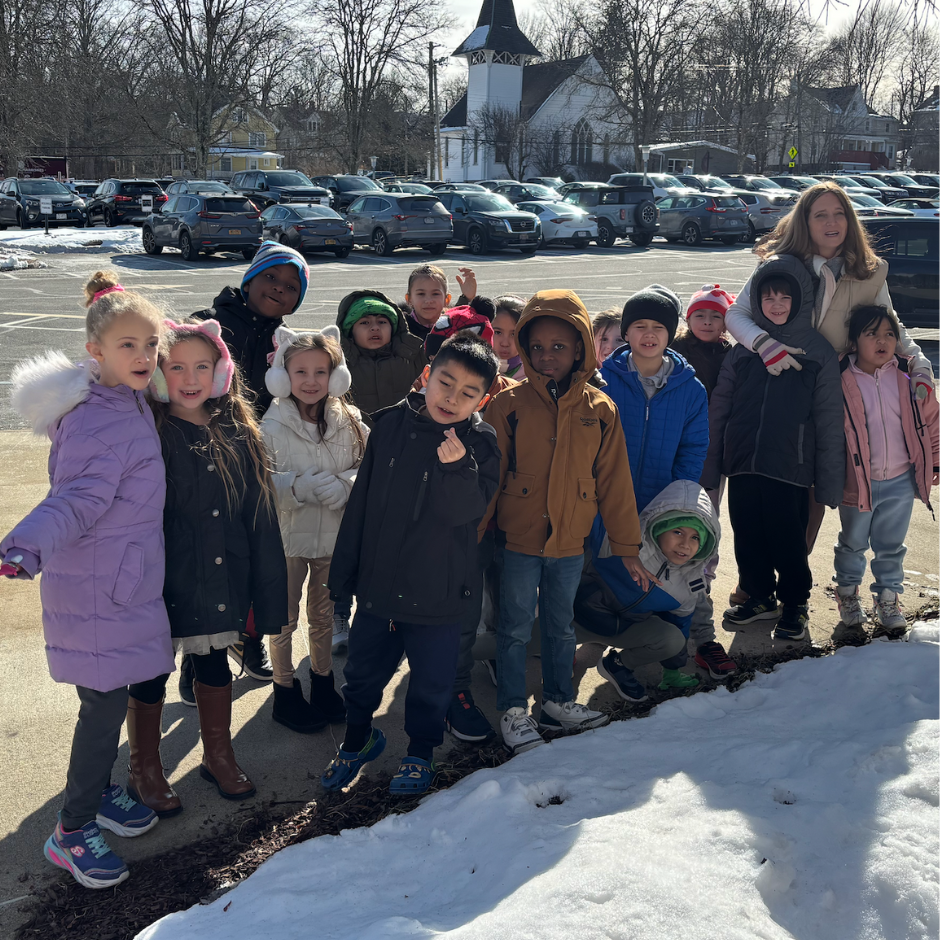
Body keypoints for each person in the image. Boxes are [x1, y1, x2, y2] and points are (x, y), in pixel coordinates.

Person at [0, 272, 174, 889]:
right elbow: (76, 499)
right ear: (94, 351)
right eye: (128, 345)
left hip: (117, 576)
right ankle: (70, 833)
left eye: (151, 344)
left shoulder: (123, 398)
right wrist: (26, 544)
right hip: (99, 584)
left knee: (105, 699)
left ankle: (96, 793)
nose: (144, 356)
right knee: (103, 708)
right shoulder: (100, 420)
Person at [322, 333, 501, 795]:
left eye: (468, 393)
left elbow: (466, 514)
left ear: (483, 400)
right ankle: (357, 741)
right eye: (446, 382)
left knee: (431, 682)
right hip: (380, 586)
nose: (452, 398)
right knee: (360, 676)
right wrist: (344, 574)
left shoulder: (481, 444)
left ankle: (421, 753)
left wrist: (457, 468)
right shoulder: (390, 426)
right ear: (426, 376)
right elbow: (361, 505)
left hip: (438, 593)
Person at [722, 181, 934, 570]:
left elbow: (891, 326)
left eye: (839, 214)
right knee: (768, 484)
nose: (831, 222)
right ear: (805, 222)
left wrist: (920, 365)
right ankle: (755, 578)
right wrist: (764, 344)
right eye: (820, 215)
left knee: (813, 483)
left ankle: (793, 573)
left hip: (827, 390)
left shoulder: (869, 272)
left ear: (850, 221)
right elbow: (736, 313)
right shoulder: (781, 263)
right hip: (776, 383)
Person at [125, 319, 288, 814]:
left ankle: (218, 756)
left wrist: (266, 589)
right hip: (162, 579)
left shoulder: (238, 430)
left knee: (215, 663)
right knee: (151, 672)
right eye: (176, 367)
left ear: (221, 373)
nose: (190, 378)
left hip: (220, 575)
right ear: (157, 374)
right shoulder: (146, 430)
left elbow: (259, 515)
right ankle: (144, 767)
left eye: (202, 366)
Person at [481, 289, 646, 756]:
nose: (547, 356)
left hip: (571, 542)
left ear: (580, 349)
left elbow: (614, 483)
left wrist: (627, 547)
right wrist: (473, 534)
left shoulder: (600, 409)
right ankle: (513, 709)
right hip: (518, 540)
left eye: (559, 346)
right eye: (537, 347)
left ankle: (556, 702)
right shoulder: (508, 405)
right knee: (514, 627)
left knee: (560, 626)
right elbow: (489, 477)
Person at [703, 256, 844, 641]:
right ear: (757, 301)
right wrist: (712, 464)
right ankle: (759, 596)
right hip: (743, 461)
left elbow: (830, 418)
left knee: (788, 539)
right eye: (768, 297)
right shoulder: (744, 349)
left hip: (790, 466)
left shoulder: (817, 351)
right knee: (747, 534)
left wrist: (829, 480)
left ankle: (795, 602)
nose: (777, 304)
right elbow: (721, 407)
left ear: (800, 299)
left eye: (785, 297)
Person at [191, 241, 309, 684]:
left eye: (291, 286)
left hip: (255, 463)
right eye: (271, 277)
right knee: (204, 559)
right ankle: (197, 655)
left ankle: (247, 635)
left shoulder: (287, 344)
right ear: (248, 280)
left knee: (252, 556)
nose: (279, 288)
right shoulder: (209, 325)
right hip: (201, 458)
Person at [260, 325, 369, 731]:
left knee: (322, 617)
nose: (310, 381)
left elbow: (368, 468)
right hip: (287, 541)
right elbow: (259, 484)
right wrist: (295, 488)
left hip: (332, 540)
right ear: (283, 376)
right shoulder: (270, 427)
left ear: (335, 376)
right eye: (300, 372)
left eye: (320, 372)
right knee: (284, 620)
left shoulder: (351, 421)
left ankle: (323, 681)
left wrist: (345, 485)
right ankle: (284, 690)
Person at [834, 304, 939, 639]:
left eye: (889, 334)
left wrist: (936, 460)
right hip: (858, 480)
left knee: (891, 544)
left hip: (900, 479)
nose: (882, 341)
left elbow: (931, 420)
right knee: (852, 542)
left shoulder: (908, 378)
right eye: (872, 334)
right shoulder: (841, 378)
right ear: (854, 341)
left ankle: (888, 599)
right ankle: (848, 594)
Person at [578, 480, 720, 699]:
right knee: (526, 645)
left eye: (695, 537)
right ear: (659, 526)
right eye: (678, 532)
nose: (685, 544)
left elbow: (680, 627)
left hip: (626, 629)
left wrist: (672, 671)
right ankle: (557, 653)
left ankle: (618, 665)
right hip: (576, 619)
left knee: (673, 639)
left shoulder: (688, 584)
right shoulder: (622, 543)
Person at [336, 288, 427, 423]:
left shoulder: (412, 356)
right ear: (350, 331)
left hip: (406, 433)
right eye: (364, 322)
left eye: (382, 322)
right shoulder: (340, 365)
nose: (375, 327)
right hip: (358, 434)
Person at [669, 285, 735, 398]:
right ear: (688, 322)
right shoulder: (676, 349)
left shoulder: (729, 355)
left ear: (725, 325)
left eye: (716, 316)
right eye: (700, 315)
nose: (707, 322)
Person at [404, 263, 477, 341]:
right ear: (409, 299)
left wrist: (467, 298)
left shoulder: (456, 326)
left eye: (435, 294)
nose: (429, 301)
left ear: (446, 299)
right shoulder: (400, 328)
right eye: (421, 294)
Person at [492, 294, 526, 380]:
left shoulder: (534, 375)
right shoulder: (473, 370)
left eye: (513, 334)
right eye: (498, 332)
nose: (505, 343)